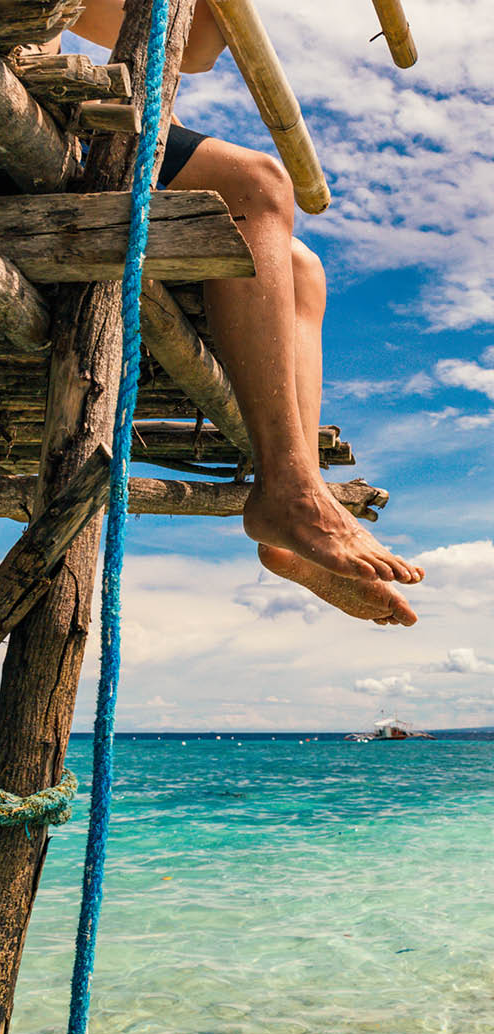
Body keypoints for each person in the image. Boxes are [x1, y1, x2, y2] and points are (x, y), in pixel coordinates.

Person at [52, 0, 425, 626]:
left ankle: (290, 513)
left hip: (44, 110)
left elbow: (191, 47)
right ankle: (294, 493)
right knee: (256, 185)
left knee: (302, 271)